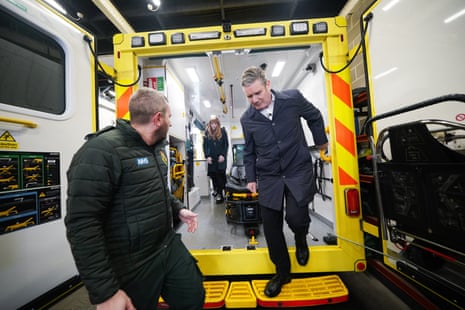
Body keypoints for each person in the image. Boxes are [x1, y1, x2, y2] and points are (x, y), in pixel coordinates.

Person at [65, 87, 205, 310]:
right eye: (170, 117)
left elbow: (157, 190)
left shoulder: (156, 149)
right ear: (158, 119)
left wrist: (178, 208)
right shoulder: (100, 152)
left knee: (193, 297)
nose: (171, 123)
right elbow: (82, 224)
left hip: (165, 244)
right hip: (131, 262)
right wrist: (105, 293)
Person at [240, 66, 328, 298]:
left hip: (297, 169)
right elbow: (248, 152)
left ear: (267, 84)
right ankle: (282, 272)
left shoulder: (292, 99)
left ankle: (301, 237)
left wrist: (321, 142)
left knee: (296, 217)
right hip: (268, 177)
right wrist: (250, 178)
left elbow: (315, 115)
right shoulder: (247, 119)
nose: (255, 99)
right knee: (270, 228)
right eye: (249, 96)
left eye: (257, 93)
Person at [203, 116, 229, 203]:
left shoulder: (222, 131)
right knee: (214, 176)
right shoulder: (207, 133)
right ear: (210, 124)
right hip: (212, 159)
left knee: (221, 176)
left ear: (218, 124)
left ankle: (222, 193)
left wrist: (223, 155)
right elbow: (205, 146)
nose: (213, 125)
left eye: (215, 123)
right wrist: (207, 156)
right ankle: (218, 192)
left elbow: (226, 144)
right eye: (212, 123)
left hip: (220, 158)